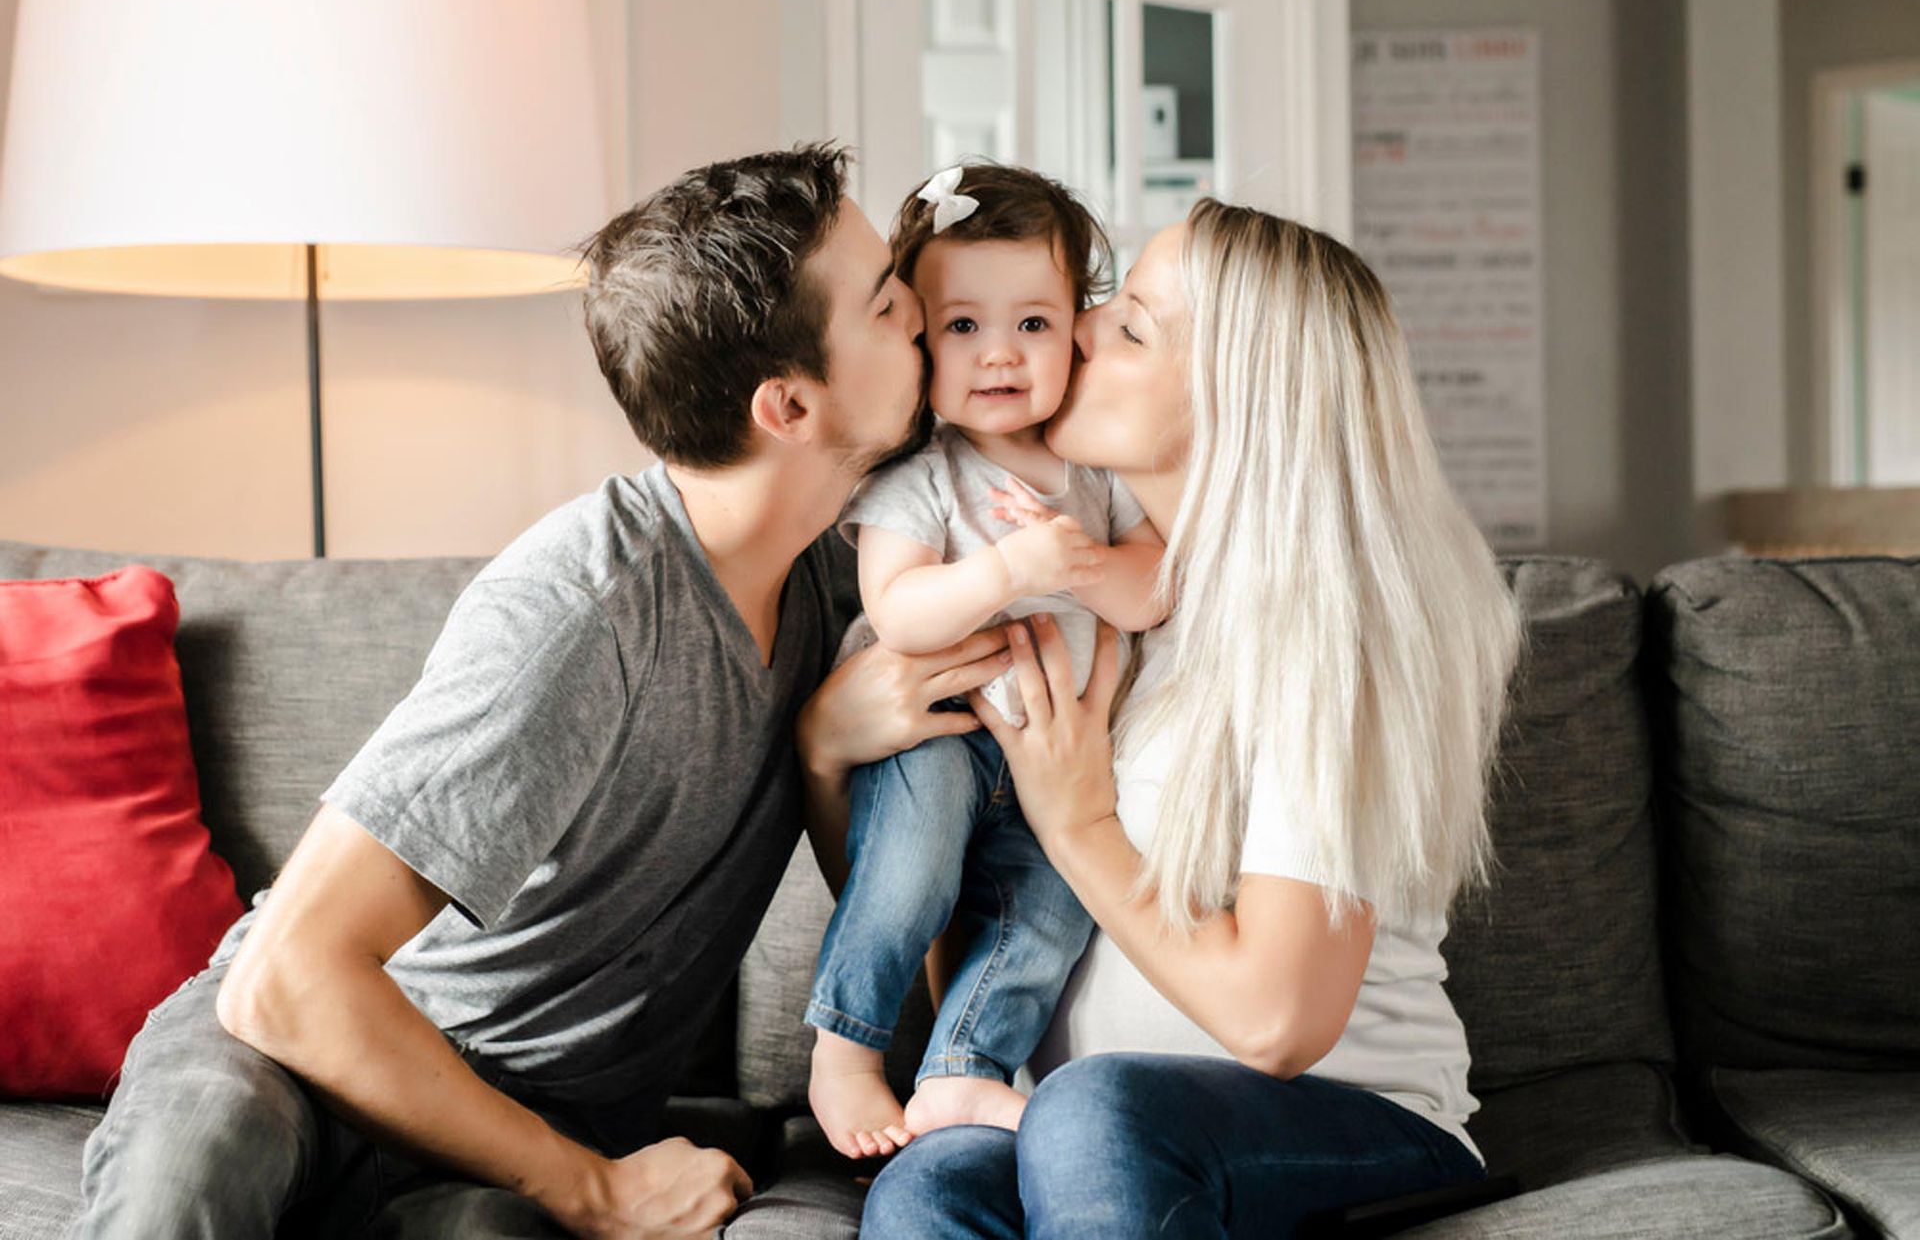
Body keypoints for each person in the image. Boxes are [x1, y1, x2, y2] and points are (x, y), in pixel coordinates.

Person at [69, 144, 1015, 1240]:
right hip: (302, 1059)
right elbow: (287, 982)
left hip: (522, 1127)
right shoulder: (582, 610)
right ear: (789, 406)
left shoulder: (853, 582)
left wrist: (815, 753)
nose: (923, 318)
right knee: (183, 1184)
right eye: (892, 303)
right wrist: (594, 1189)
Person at [832, 200, 1526, 1238]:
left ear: (1238, 397)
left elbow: (1278, 1024)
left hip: (1347, 1124)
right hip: (1078, 1132)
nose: (1081, 329)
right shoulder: (1067, 587)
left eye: (1134, 325)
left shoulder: (1328, 631)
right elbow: (952, 918)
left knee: (1094, 1109)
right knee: (930, 1185)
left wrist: (1077, 823)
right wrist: (824, 751)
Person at [804, 164, 1167, 1161]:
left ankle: (963, 1071)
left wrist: (1084, 566)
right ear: (919, 337)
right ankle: (844, 1044)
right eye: (962, 326)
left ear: (1075, 327)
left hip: (1060, 765)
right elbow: (901, 612)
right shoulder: (919, 480)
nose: (999, 355)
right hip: (945, 737)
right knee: (908, 877)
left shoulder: (1096, 473)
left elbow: (1152, 588)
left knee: (1048, 918)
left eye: (1034, 325)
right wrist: (1014, 566)